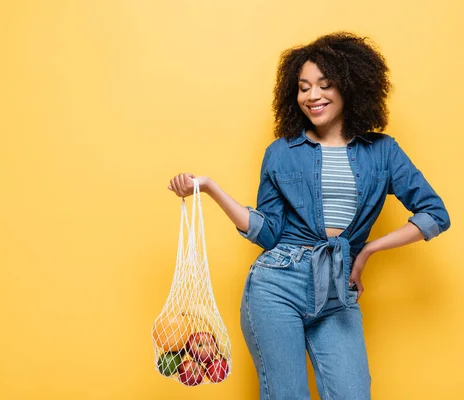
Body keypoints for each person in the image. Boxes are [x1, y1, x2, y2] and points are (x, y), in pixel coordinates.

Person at [167, 32, 450, 399]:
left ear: (350, 86)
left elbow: (435, 213)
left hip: (338, 290)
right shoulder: (281, 153)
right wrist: (209, 187)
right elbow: (268, 233)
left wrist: (365, 252)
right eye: (303, 88)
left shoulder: (383, 152)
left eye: (324, 85)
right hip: (276, 286)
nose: (312, 96)